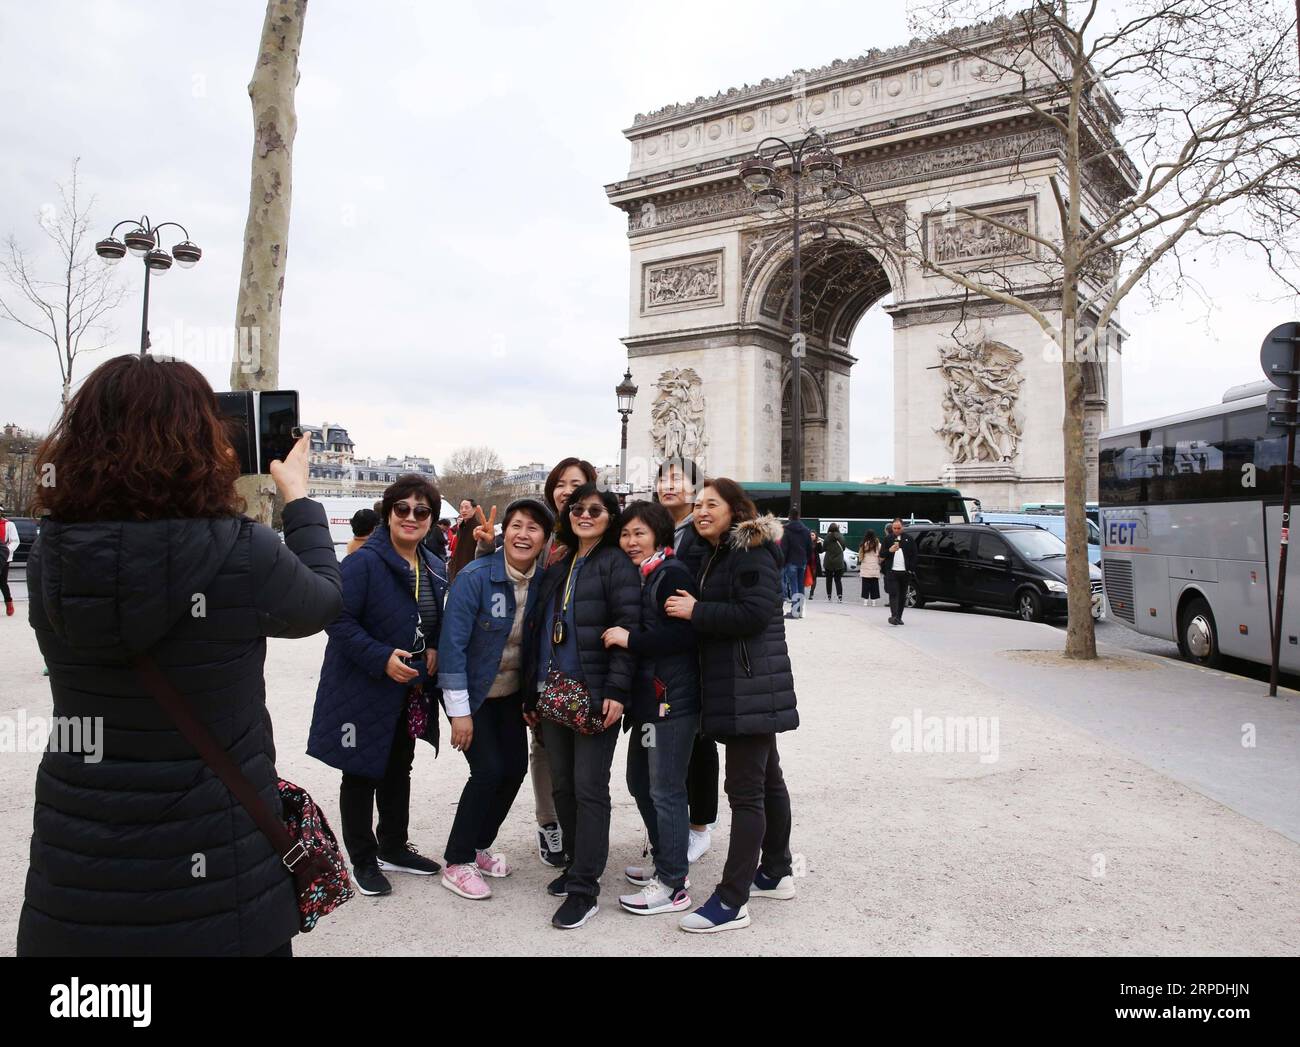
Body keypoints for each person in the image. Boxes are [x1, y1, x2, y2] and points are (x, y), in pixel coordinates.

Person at [17, 354, 342, 957]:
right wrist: (298, 499)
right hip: (217, 860)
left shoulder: (48, 556)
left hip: (82, 854)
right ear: (204, 441)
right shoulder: (242, 551)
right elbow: (322, 602)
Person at [666, 478, 798, 933]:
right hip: (744, 682)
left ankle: (732, 900)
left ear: (734, 509)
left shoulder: (750, 551)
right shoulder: (717, 552)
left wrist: (696, 611)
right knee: (768, 780)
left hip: (748, 684)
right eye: (698, 505)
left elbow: (755, 613)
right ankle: (777, 870)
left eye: (711, 504)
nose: (701, 511)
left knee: (744, 793)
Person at [309, 475, 445, 897]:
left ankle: (392, 845)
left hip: (410, 688)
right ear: (388, 513)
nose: (411, 517)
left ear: (431, 520)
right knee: (361, 772)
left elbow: (434, 620)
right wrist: (380, 657)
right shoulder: (362, 563)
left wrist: (436, 647)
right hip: (363, 686)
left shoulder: (435, 566)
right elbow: (336, 619)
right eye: (402, 509)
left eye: (421, 511)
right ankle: (363, 859)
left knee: (398, 767)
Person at [529, 483, 640, 929]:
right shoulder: (560, 562)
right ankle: (576, 863)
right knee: (561, 788)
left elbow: (628, 628)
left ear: (610, 517)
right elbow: (539, 630)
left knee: (589, 787)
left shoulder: (616, 565)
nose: (585, 514)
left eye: (595, 509)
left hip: (595, 690)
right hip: (554, 690)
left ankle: (585, 887)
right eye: (578, 508)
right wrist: (529, 693)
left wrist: (617, 689)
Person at [437, 498, 553, 900]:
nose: (524, 534)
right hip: (471, 692)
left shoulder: (544, 581)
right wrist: (459, 713)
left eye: (533, 528)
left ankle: (479, 845)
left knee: (515, 770)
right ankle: (456, 860)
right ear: (506, 531)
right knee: (487, 771)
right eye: (516, 525)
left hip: (509, 693)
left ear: (545, 539)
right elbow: (452, 648)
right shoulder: (474, 577)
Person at [602, 499, 700, 915]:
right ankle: (667, 862)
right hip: (652, 703)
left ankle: (674, 884)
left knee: (664, 788)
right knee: (641, 782)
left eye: (639, 533)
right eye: (624, 533)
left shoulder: (671, 573)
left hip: (671, 702)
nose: (630, 541)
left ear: (659, 534)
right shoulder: (648, 574)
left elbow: (684, 636)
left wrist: (630, 640)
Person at [526, 456, 598, 869]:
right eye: (560, 483)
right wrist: (479, 544)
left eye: (576, 483)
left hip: (577, 660)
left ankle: (578, 832)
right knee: (542, 746)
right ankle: (548, 822)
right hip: (540, 655)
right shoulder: (541, 533)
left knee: (576, 755)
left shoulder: (593, 535)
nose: (566, 490)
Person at [654, 456, 716, 863]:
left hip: (696, 650)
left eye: (679, 479)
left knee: (700, 741)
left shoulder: (702, 533)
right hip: (663, 652)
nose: (669, 485)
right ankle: (675, 829)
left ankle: (699, 827)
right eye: (663, 478)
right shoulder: (659, 531)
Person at [779, 508, 813, 620]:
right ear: (799, 516)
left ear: (789, 516)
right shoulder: (806, 530)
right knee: (800, 585)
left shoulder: (786, 530)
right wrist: (806, 559)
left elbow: (784, 548)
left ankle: (795, 611)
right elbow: (809, 548)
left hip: (791, 561)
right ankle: (800, 610)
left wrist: (782, 562)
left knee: (793, 585)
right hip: (802, 561)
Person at [881, 517, 916, 626]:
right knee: (893, 593)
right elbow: (881, 555)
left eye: (898, 528)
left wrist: (910, 569)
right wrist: (889, 551)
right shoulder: (888, 539)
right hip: (892, 572)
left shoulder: (909, 539)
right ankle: (894, 616)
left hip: (905, 572)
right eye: (894, 528)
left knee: (902, 595)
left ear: (902, 527)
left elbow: (914, 555)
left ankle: (899, 617)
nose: (896, 530)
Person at [448, 498, 479, 581]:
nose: (463, 510)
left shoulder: (478, 528)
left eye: (466, 507)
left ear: (474, 509)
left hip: (470, 571)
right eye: (461, 508)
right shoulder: (461, 527)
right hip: (456, 568)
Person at [822, 523, 847, 602]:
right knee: (838, 580)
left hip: (828, 561)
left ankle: (829, 597)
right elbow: (843, 548)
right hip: (839, 561)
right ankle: (840, 597)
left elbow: (824, 548)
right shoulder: (841, 537)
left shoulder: (826, 537)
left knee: (828, 580)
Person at [0, 506, 18, 616]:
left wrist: (6, 551)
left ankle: (9, 602)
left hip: (3, 557)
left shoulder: (9, 525)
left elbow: (15, 541)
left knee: (2, 582)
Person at [859, 530, 882, 606]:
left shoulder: (864, 544)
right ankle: (874, 602)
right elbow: (880, 555)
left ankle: (865, 601)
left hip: (865, 566)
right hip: (875, 566)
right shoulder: (878, 544)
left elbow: (860, 556)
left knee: (865, 585)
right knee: (874, 585)